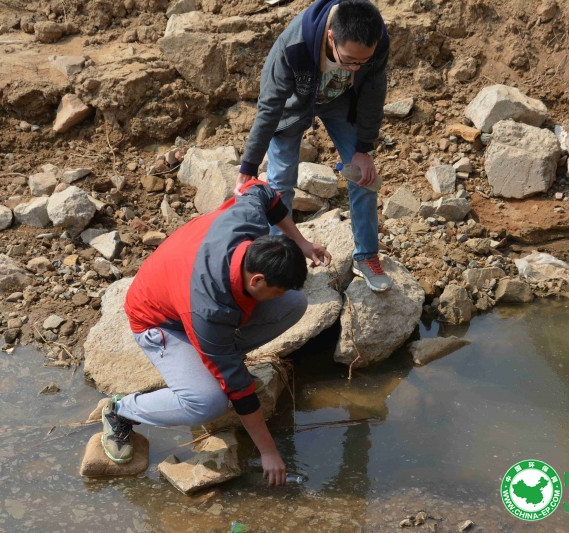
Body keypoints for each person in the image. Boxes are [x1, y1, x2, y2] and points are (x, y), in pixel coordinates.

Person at [102, 179, 331, 487]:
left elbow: (261, 189)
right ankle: (122, 411)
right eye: (275, 290)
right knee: (209, 402)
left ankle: (214, 357)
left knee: (295, 304)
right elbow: (238, 390)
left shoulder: (249, 222)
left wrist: (301, 243)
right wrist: (269, 452)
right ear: (257, 281)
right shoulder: (209, 309)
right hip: (158, 321)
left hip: (184, 292)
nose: (278, 296)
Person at [235, 0, 392, 292]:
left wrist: (363, 148)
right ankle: (279, 265)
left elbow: (373, 92)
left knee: (364, 178)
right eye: (348, 60)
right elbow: (269, 107)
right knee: (280, 185)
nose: (356, 66)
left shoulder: (377, 41)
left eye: (362, 62)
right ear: (331, 37)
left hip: (342, 102)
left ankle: (367, 257)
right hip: (293, 106)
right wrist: (248, 166)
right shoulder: (294, 45)